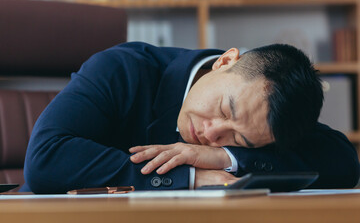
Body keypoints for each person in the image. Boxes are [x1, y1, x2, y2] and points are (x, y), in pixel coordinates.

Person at [22, 42, 359, 193]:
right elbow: (45, 160)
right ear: (226, 61)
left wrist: (226, 157)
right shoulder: (122, 68)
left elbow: (343, 162)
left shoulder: (264, 115)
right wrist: (193, 176)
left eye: (237, 139)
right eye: (226, 110)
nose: (212, 133)